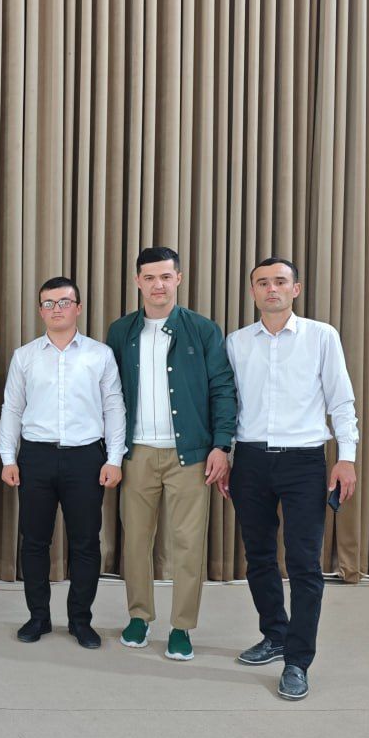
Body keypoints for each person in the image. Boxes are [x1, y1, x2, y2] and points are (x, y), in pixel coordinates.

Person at [223, 257, 359, 700]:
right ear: (252, 292)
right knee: (259, 557)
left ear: (295, 289)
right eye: (262, 283)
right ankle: (274, 635)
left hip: (304, 462)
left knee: (303, 563)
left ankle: (297, 661)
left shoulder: (321, 336)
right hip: (250, 461)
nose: (272, 289)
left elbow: (341, 401)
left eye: (280, 281)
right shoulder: (237, 342)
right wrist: (227, 455)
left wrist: (346, 457)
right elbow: (229, 405)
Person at [105, 246, 236, 661]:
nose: (158, 285)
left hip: (190, 456)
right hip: (137, 454)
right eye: (149, 277)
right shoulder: (120, 331)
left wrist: (221, 445)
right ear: (137, 282)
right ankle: (139, 616)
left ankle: (182, 626)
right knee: (135, 541)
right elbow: (109, 395)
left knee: (188, 543)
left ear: (178, 278)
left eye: (165, 276)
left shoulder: (203, 330)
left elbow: (223, 388)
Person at [0, 278, 126, 648]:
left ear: (78, 307)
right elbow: (12, 408)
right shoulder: (25, 356)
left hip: (86, 457)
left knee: (85, 543)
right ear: (40, 311)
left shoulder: (100, 354)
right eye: (49, 303)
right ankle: (38, 617)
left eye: (64, 302)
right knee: (34, 541)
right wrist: (8, 457)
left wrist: (114, 458)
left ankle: (80, 620)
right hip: (35, 456)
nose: (57, 309)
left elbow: (114, 407)